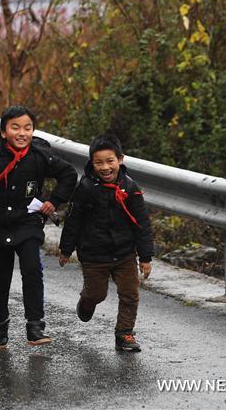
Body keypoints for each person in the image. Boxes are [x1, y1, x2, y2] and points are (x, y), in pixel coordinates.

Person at [0, 105, 77, 348]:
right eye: (15, 127)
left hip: (28, 223)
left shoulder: (40, 156)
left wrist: (53, 201)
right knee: (0, 278)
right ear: (3, 132)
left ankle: (35, 326)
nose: (22, 133)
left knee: (32, 270)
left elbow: (69, 175)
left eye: (28, 128)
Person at [59, 134, 154, 352]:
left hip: (125, 253)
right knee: (97, 294)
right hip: (93, 254)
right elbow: (73, 220)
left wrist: (145, 257)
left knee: (130, 294)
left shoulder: (130, 188)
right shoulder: (85, 188)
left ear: (120, 159)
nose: (105, 167)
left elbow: (142, 223)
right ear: (92, 163)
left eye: (110, 161)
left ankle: (125, 335)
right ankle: (86, 301)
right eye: (99, 162)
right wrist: (66, 249)